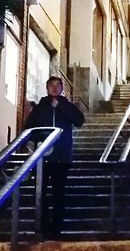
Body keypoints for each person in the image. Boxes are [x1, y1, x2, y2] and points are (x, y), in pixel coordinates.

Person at [23, 75, 84, 237]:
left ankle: (56, 229)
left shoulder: (67, 105)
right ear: (47, 88)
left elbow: (79, 120)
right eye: (52, 85)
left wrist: (62, 107)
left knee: (59, 194)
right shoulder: (41, 107)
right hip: (43, 157)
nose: (55, 88)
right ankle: (42, 227)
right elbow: (28, 128)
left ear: (62, 88)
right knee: (41, 193)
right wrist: (40, 140)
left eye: (58, 85)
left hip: (62, 157)